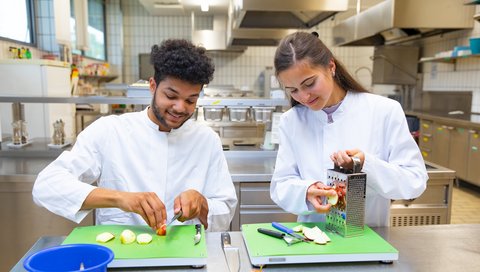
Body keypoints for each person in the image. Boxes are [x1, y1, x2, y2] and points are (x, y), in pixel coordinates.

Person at [33, 39, 237, 232]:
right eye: (171, 96)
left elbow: (225, 210)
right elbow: (47, 186)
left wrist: (202, 204)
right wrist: (119, 198)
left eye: (190, 100)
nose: (180, 107)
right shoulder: (110, 131)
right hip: (122, 255)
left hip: (189, 255)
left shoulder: (206, 140)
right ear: (152, 86)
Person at [270, 32, 428, 227]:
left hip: (371, 238)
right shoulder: (291, 121)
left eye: (309, 83)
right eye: (293, 90)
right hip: (313, 242)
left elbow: (414, 182)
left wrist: (365, 164)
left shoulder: (384, 111)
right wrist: (307, 190)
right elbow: (281, 185)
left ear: (331, 67)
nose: (303, 96)